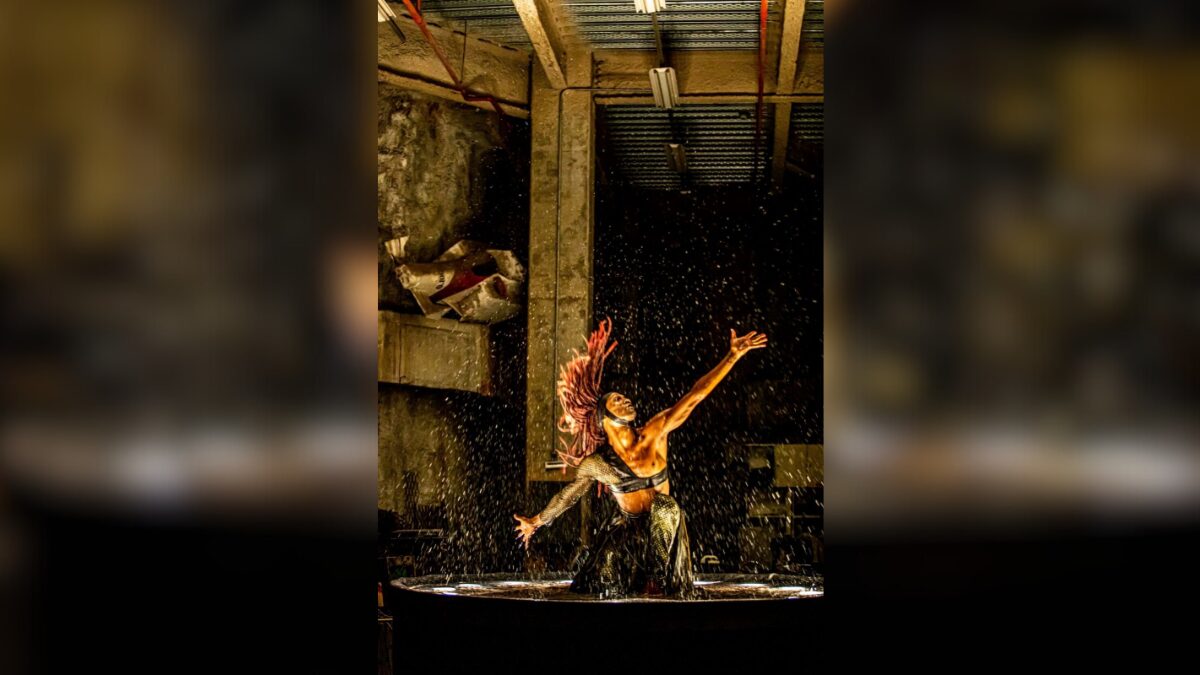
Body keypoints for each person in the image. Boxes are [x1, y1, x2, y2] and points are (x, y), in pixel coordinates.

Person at [513, 317, 768, 599]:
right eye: (617, 400)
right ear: (604, 418)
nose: (626, 400)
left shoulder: (654, 434)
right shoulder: (598, 464)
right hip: (629, 531)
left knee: (664, 506)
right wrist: (536, 521)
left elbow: (695, 396)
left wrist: (732, 357)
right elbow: (568, 497)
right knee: (607, 556)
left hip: (665, 529)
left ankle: (657, 580)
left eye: (624, 398)